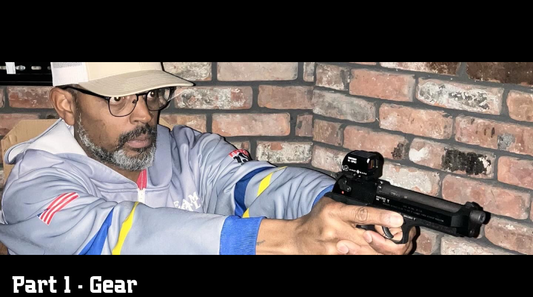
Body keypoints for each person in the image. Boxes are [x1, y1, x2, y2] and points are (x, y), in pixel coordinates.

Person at [0, 62, 416, 255]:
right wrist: (287, 238)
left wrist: (341, 205)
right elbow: (122, 235)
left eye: (151, 94)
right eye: (118, 100)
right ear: (67, 105)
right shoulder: (33, 190)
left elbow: (259, 183)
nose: (145, 115)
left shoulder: (186, 148)